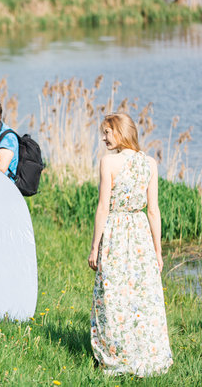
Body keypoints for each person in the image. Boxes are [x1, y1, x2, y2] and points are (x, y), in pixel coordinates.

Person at [88, 113, 173, 376]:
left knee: (114, 293)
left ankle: (115, 353)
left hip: (116, 231)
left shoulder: (108, 162)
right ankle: (147, 352)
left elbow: (103, 207)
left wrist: (94, 246)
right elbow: (153, 211)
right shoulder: (150, 163)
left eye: (107, 133)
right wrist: (158, 251)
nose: (103, 138)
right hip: (140, 234)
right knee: (142, 294)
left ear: (121, 132)